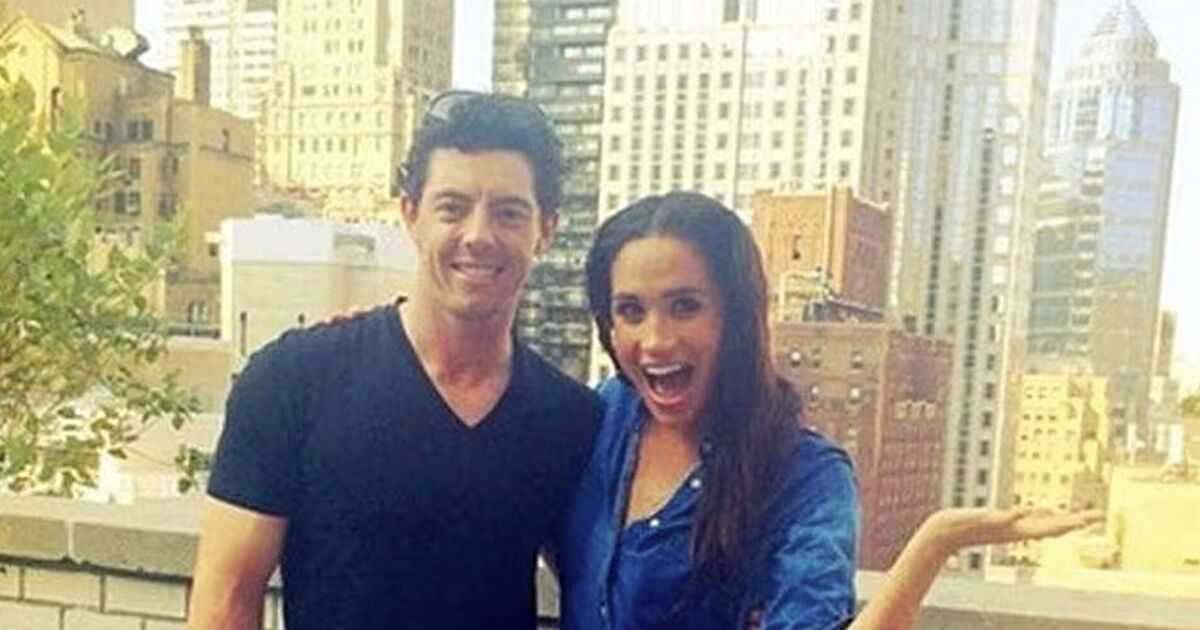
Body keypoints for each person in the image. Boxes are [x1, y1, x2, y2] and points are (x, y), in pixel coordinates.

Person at [557, 191, 1101, 629]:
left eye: (685, 307)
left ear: (735, 315)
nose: (655, 339)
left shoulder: (804, 475)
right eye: (631, 311)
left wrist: (936, 541)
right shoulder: (604, 417)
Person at [187, 92, 598, 630]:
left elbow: (608, 583)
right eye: (452, 207)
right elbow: (225, 603)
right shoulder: (295, 380)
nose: (478, 235)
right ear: (410, 214)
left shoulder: (570, 418)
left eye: (509, 213)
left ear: (547, 229)